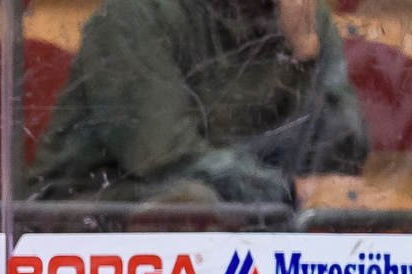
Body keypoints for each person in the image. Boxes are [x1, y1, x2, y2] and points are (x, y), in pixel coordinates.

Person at [27, 0, 366, 205]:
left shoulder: (300, 14)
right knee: (189, 204)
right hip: (94, 211)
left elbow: (345, 155)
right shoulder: (136, 15)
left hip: (248, 210)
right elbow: (164, 157)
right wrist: (287, 192)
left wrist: (306, 57)